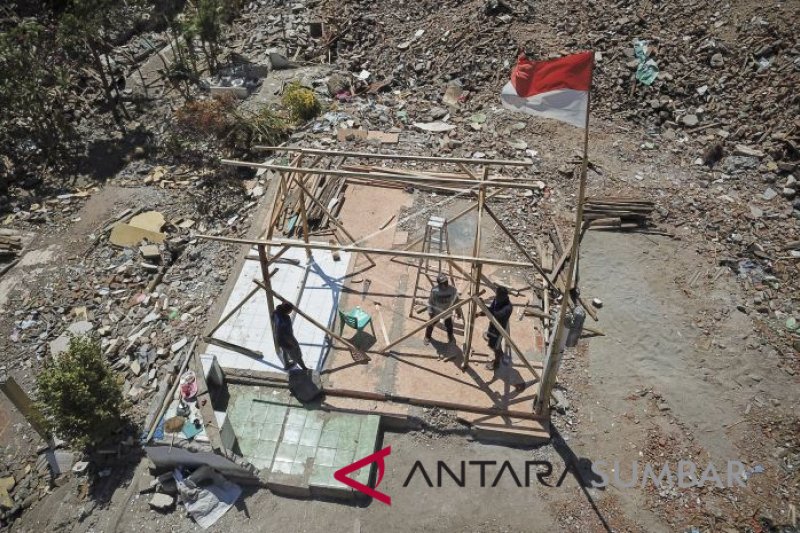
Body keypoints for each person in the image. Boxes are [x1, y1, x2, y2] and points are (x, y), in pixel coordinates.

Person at [272, 302, 308, 370]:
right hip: (287, 340)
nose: (291, 311)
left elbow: (274, 321)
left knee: (284, 352)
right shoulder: (285, 319)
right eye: (290, 310)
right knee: (297, 355)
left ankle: (286, 365)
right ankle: (304, 368)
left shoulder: (275, 313)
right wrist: (292, 344)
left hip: (279, 338)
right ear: (287, 311)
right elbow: (287, 334)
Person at [424, 273, 457, 345]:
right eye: (443, 283)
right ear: (439, 284)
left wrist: (458, 311)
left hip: (447, 311)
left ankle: (450, 336)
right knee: (430, 324)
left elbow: (456, 300)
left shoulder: (452, 290)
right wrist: (430, 310)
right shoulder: (434, 291)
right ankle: (427, 337)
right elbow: (430, 301)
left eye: (446, 282)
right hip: (436, 312)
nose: (445, 284)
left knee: (449, 325)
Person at [486, 285, 512, 370]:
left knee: (496, 346)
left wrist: (485, 308)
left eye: (498, 296)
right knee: (492, 343)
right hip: (492, 326)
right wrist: (480, 313)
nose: (496, 297)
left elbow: (497, 315)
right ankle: (499, 352)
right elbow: (491, 309)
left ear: (505, 297)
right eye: (496, 295)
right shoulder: (497, 300)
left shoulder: (508, 307)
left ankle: (496, 363)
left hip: (499, 330)